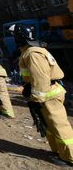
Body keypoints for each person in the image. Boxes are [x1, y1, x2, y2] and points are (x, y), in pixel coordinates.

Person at [13, 24, 73, 166]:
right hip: (46, 93)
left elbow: (40, 78)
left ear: (20, 37)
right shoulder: (30, 51)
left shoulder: (32, 53)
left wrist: (35, 98)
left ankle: (70, 157)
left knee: (59, 126)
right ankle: (60, 151)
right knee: (49, 125)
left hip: (47, 94)